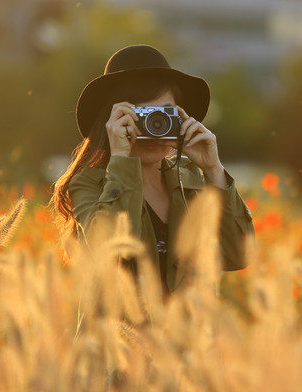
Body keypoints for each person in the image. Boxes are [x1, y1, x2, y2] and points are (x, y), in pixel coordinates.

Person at [51, 45, 254, 294]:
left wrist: (214, 170)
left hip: (188, 331)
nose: (154, 127)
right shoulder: (88, 184)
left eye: (164, 115)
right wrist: (121, 157)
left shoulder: (190, 179)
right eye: (141, 116)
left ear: (181, 118)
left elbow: (239, 255)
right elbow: (112, 251)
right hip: (119, 332)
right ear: (113, 121)